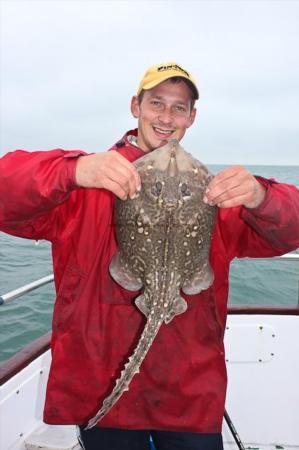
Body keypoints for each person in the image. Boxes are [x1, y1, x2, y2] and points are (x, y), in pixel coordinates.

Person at [0, 61, 299, 450]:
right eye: (156, 103)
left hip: (188, 391)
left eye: (179, 107)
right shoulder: (89, 183)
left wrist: (263, 196)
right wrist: (70, 171)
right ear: (135, 106)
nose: (166, 117)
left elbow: (289, 231)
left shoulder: (208, 191)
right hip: (101, 383)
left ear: (192, 117)